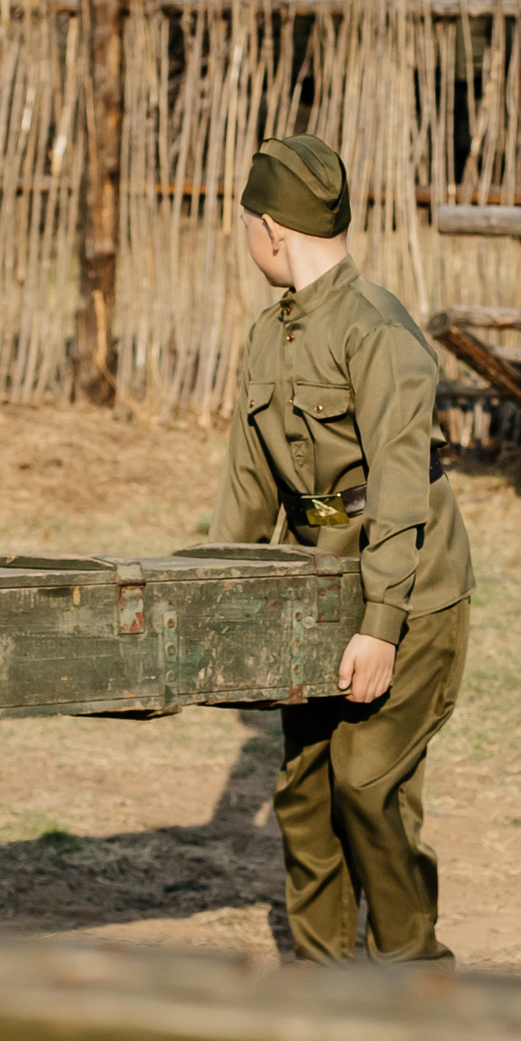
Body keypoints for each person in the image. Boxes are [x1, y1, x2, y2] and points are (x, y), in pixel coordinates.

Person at [209, 135, 475, 963]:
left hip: (410, 594)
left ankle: (412, 979)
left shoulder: (378, 332)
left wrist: (382, 624)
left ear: (273, 230)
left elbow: (397, 490)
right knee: (306, 794)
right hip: (312, 595)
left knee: (366, 784)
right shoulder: (267, 337)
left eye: (247, 225)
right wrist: (216, 601)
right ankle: (327, 989)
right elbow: (251, 494)